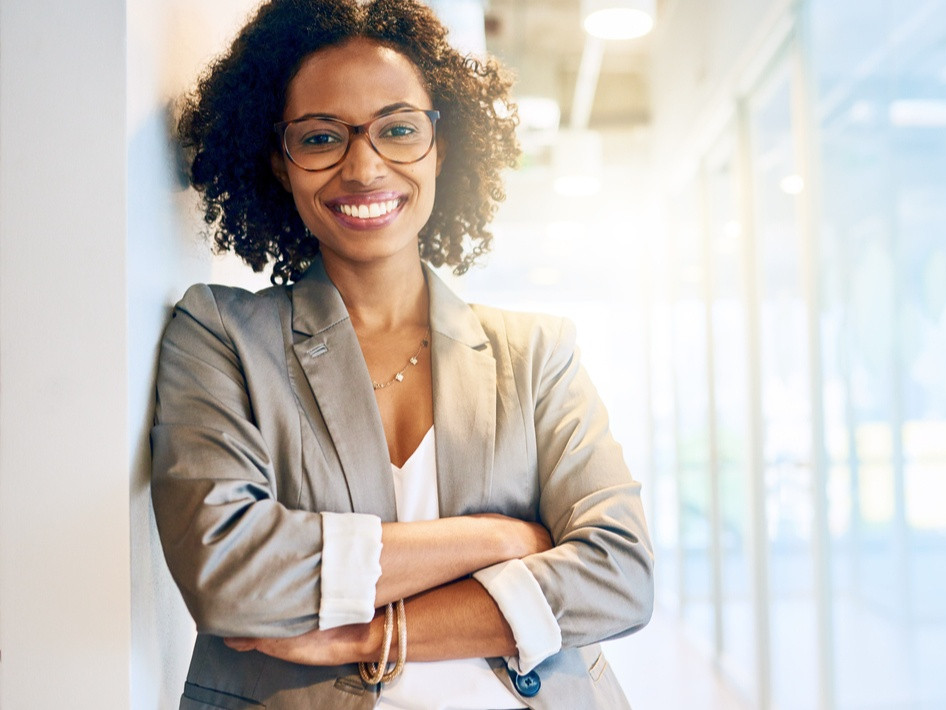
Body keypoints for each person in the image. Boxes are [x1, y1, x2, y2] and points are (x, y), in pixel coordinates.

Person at [149, 1, 653, 708]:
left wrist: (369, 636)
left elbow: (620, 573)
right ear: (278, 160)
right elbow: (234, 578)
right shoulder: (222, 337)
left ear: (441, 147)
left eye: (398, 129)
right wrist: (498, 538)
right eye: (322, 137)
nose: (364, 166)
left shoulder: (536, 353)